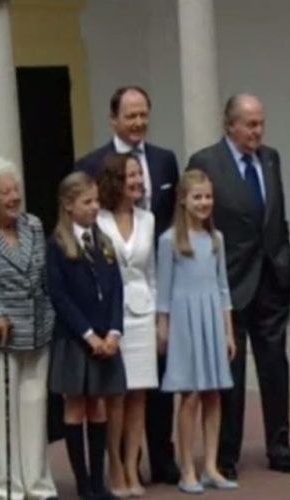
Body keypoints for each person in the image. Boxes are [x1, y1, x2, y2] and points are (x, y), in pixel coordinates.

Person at [76, 86, 179, 483]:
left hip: (147, 295)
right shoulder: (90, 164)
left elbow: (166, 228)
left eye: (143, 115)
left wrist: (161, 311)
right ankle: (121, 466)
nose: (138, 123)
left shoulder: (165, 161)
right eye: (130, 115)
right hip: (110, 305)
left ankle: (160, 456)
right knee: (117, 393)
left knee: (152, 389)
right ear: (113, 118)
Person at [188, 94, 290, 479]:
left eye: (261, 123)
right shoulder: (206, 162)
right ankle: (226, 456)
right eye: (250, 124)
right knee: (230, 367)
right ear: (229, 125)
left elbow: (276, 214)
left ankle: (280, 444)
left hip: (273, 279)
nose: (258, 131)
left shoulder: (271, 158)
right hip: (229, 281)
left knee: (275, 364)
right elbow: (196, 220)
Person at [0, 158, 58, 500]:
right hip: (1, 335)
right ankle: (6, 486)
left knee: (35, 411)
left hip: (38, 327)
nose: (13, 197)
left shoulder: (33, 225)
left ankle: (37, 483)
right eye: (4, 191)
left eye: (15, 189)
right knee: (1, 414)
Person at [156, 169, 238, 494]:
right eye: (197, 197)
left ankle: (211, 466)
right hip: (184, 323)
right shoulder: (169, 241)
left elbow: (223, 289)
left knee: (214, 393)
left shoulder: (216, 240)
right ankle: (186, 467)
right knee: (189, 396)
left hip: (212, 322)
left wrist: (228, 333)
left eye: (208, 196)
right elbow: (163, 292)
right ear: (183, 200)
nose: (204, 202)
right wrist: (163, 329)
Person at [47, 171, 126, 500]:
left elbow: (117, 289)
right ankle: (82, 483)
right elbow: (59, 296)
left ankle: (98, 480)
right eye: (87, 202)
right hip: (75, 339)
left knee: (99, 407)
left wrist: (114, 331)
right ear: (68, 205)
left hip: (106, 338)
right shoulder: (57, 245)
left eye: (96, 201)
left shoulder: (104, 241)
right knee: (76, 406)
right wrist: (89, 335)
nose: (95, 207)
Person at [97, 153, 157, 497]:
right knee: (115, 396)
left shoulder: (148, 219)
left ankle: (133, 467)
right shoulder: (99, 219)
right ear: (115, 180)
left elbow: (152, 274)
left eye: (139, 176)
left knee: (139, 397)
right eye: (131, 176)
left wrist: (160, 320)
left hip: (143, 313)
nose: (137, 181)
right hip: (111, 316)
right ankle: (115, 467)